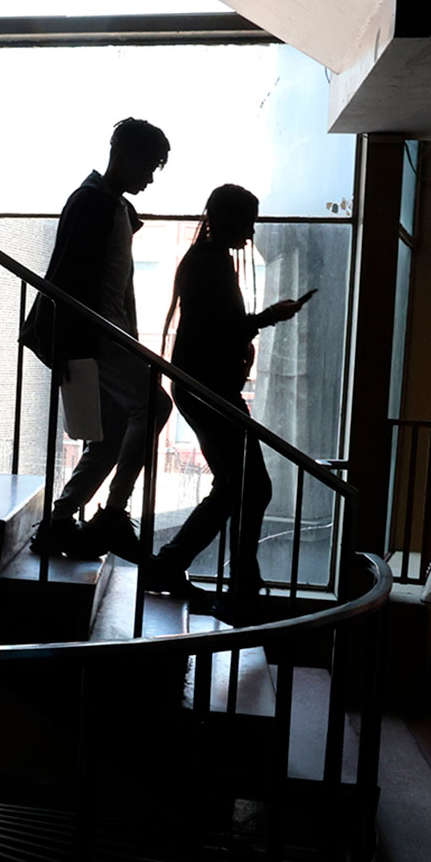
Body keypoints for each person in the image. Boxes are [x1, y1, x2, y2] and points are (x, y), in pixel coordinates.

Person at [143, 184, 310, 624]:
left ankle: (180, 566)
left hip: (202, 387)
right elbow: (225, 331)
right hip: (211, 389)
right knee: (251, 487)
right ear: (230, 219)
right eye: (248, 220)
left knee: (237, 486)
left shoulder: (206, 260)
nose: (252, 230)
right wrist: (271, 316)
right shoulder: (212, 265)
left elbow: (214, 329)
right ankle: (235, 586)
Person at [32, 118, 173, 561]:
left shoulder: (106, 204)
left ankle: (62, 518)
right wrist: (74, 348)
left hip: (104, 335)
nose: (150, 177)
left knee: (113, 431)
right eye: (149, 166)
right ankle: (112, 512)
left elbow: (115, 285)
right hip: (93, 335)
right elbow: (70, 282)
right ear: (123, 155)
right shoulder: (93, 203)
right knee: (154, 406)